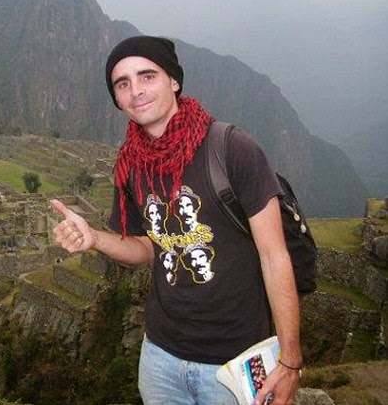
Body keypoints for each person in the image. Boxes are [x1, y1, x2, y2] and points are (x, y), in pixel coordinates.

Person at [51, 35, 302, 405]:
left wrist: (290, 360)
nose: (136, 90)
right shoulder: (131, 165)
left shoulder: (231, 149)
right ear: (117, 99)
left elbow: (274, 255)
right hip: (160, 357)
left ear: (173, 81)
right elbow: (147, 247)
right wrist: (95, 239)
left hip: (234, 360)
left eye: (147, 76)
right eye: (123, 84)